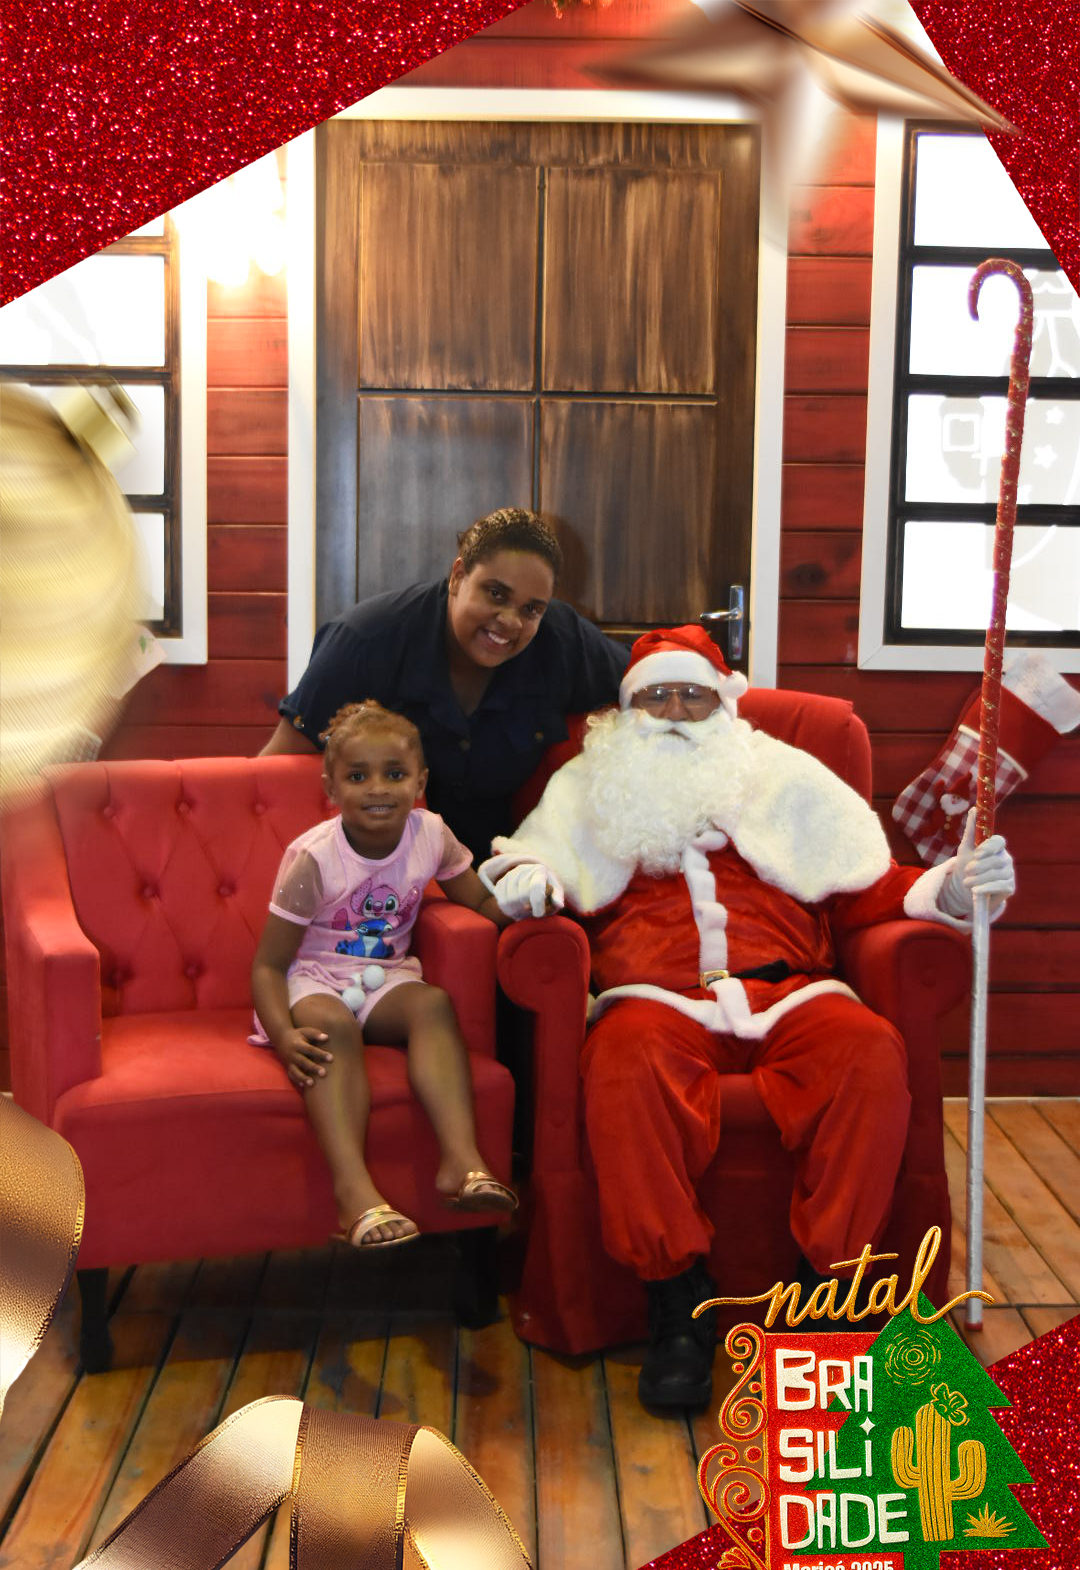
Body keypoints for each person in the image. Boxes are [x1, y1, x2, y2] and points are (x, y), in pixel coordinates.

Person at [480, 625, 1015, 1410]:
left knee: (870, 1055)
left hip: (793, 991)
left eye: (691, 695)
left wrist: (952, 888)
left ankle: (825, 1292)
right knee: (623, 1068)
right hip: (655, 1000)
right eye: (654, 697)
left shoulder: (784, 775)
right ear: (628, 713)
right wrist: (529, 881)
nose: (673, 712)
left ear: (722, 704)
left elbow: (861, 884)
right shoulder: (590, 784)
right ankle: (676, 1303)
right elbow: (538, 861)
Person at [251, 700, 518, 1250]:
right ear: (331, 788)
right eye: (358, 776)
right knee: (330, 1027)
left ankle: (461, 1163)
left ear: (420, 781)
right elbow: (269, 965)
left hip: (383, 975)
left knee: (432, 1003)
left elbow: (478, 903)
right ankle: (353, 1193)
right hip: (314, 979)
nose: (378, 788)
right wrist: (282, 1034)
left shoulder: (431, 834)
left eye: (395, 774)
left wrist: (527, 900)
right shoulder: (314, 859)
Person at [261, 508, 629, 862]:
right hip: (378, 873)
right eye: (496, 594)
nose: (510, 621)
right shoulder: (364, 641)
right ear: (458, 576)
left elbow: (647, 673)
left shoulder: (561, 640)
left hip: (504, 873)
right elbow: (272, 777)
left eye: (531, 609)